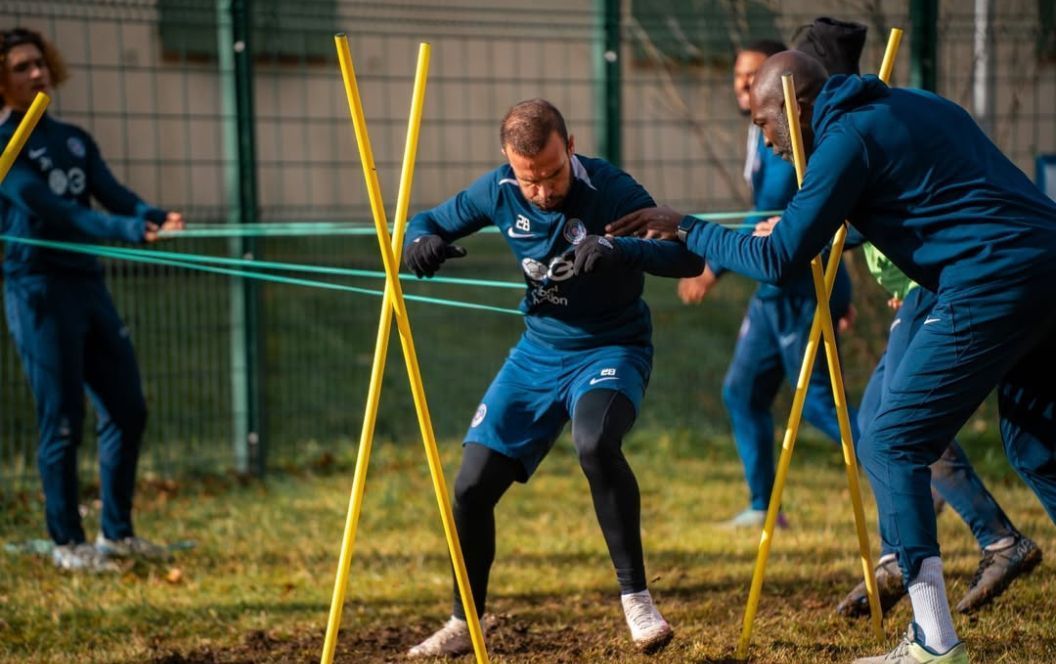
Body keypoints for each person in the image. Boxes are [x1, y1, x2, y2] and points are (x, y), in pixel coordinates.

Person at [605, 50, 1056, 663]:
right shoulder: (908, 104)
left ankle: (933, 643)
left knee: (890, 441)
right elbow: (931, 199)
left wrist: (686, 226)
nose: (767, 144)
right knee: (1039, 444)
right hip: (1045, 265)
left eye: (765, 125)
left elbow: (778, 260)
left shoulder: (845, 140)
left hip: (990, 282)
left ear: (797, 107)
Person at [401, 99, 704, 658]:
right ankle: (464, 620)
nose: (541, 190)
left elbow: (686, 259)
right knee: (469, 488)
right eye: (528, 179)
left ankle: (637, 601)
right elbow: (426, 223)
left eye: (552, 174)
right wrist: (419, 243)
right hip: (537, 354)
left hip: (612, 347)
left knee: (594, 443)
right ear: (508, 163)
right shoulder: (498, 190)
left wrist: (618, 247)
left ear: (571, 145)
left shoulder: (610, 188)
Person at [0, 28, 184, 573]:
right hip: (37, 289)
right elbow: (62, 213)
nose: (37, 74)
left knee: (128, 407)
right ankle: (66, 543)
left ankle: (117, 535)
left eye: (40, 63)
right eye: (21, 67)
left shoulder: (73, 138)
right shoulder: (7, 149)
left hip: (87, 285)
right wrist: (127, 229)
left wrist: (151, 214)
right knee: (61, 419)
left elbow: (108, 190)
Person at [679, 35, 855, 529]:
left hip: (797, 285)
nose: (742, 84)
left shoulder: (790, 135)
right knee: (743, 391)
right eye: (739, 74)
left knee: (821, 403)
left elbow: (771, 209)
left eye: (753, 76)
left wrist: (713, 264)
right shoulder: (760, 129)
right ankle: (763, 507)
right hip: (772, 292)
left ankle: (917, 472)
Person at [833, 245, 1041, 618]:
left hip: (930, 291)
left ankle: (998, 539)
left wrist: (786, 228)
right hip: (916, 292)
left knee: (904, 427)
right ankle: (897, 553)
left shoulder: (842, 188)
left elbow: (836, 221)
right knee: (872, 421)